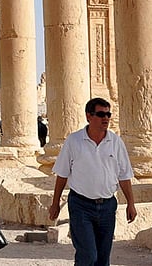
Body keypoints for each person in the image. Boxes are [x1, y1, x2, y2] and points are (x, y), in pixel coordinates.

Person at [48, 97, 136, 266]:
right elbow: (62, 174)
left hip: (108, 206)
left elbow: (124, 175)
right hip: (81, 206)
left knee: (103, 259)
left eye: (108, 114)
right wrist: (55, 203)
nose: (106, 118)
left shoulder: (116, 142)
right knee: (88, 255)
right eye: (101, 114)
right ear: (89, 116)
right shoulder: (74, 141)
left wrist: (131, 203)